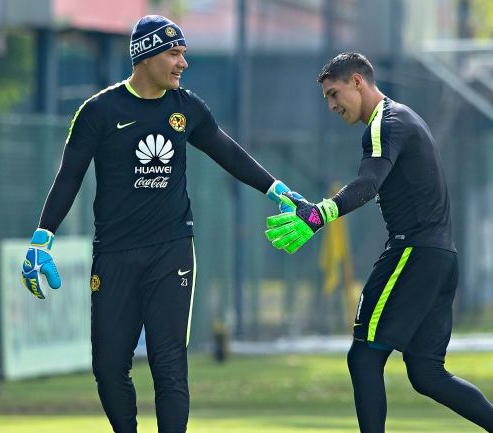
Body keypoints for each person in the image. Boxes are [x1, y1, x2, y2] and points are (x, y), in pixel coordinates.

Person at [20, 15, 298, 433]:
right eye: (173, 53)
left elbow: (228, 152)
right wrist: (42, 239)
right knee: (109, 367)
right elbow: (69, 176)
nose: (182, 63)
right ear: (145, 56)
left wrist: (277, 191)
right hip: (113, 255)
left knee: (169, 363)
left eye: (183, 53)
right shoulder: (98, 111)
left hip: (172, 250)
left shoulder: (187, 108)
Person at [264, 52, 493, 433]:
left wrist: (319, 214)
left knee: (363, 355)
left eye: (334, 93)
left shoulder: (386, 123)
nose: (331, 106)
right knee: (426, 372)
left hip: (412, 251)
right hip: (441, 257)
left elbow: (368, 183)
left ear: (357, 82)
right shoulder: (405, 118)